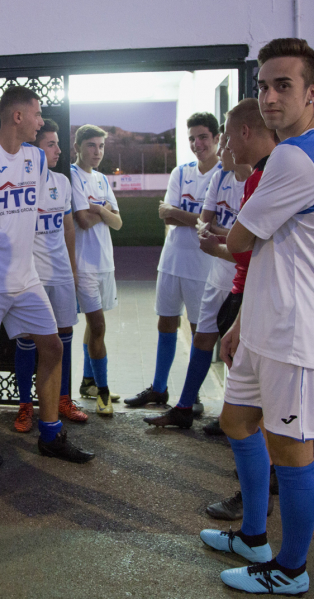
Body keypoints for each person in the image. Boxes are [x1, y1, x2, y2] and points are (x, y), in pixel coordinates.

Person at [200, 38, 314, 595]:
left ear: (313, 92)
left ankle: (290, 570)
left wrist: (223, 235)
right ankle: (252, 537)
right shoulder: (307, 151)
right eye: (263, 86)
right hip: (266, 325)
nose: (269, 97)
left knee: (290, 449)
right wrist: (240, 321)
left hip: (297, 334)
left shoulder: (296, 157)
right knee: (236, 421)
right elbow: (268, 252)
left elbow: (240, 239)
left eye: (283, 85)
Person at [0, 85, 94, 466]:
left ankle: (50, 434)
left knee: (53, 346)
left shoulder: (36, 158)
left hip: (26, 279)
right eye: (37, 113)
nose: (41, 119)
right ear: (17, 116)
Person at [201, 99, 280, 520]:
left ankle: (257, 497)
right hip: (252, 299)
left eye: (227, 136)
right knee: (251, 415)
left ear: (244, 134)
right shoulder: (269, 175)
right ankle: (260, 497)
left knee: (248, 416)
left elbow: (243, 247)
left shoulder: (267, 179)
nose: (225, 145)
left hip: (258, 301)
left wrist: (220, 243)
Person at [144, 126, 249, 429]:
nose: (223, 147)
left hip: (236, 274)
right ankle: (183, 406)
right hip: (215, 270)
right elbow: (205, 223)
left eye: (223, 140)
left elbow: (247, 239)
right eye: (192, 138)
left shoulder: (258, 179)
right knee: (201, 337)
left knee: (237, 347)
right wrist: (222, 232)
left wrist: (218, 232)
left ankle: (231, 414)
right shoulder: (220, 177)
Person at [126, 113, 219, 412]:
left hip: (202, 266)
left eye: (203, 136)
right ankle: (159, 389)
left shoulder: (223, 175)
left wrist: (182, 214)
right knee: (165, 323)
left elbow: (211, 224)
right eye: (192, 138)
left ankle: (193, 396)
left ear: (216, 138)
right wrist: (195, 219)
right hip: (171, 260)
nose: (196, 143)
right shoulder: (181, 171)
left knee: (197, 332)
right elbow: (165, 215)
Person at [13, 118, 87, 432]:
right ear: (33, 150)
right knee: (28, 340)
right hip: (30, 277)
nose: (58, 150)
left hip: (60, 276)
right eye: (50, 144)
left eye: (57, 143)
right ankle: (25, 406)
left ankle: (63, 398)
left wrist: (71, 267)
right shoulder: (20, 184)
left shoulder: (62, 182)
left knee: (64, 337)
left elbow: (68, 227)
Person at [70, 124, 123, 416]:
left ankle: (89, 382)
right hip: (85, 265)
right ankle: (103, 393)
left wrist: (100, 208)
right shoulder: (72, 175)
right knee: (98, 325)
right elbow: (83, 220)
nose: (97, 152)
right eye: (91, 145)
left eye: (101, 147)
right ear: (77, 146)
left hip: (105, 263)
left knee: (95, 325)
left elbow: (117, 222)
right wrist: (104, 212)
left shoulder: (102, 179)